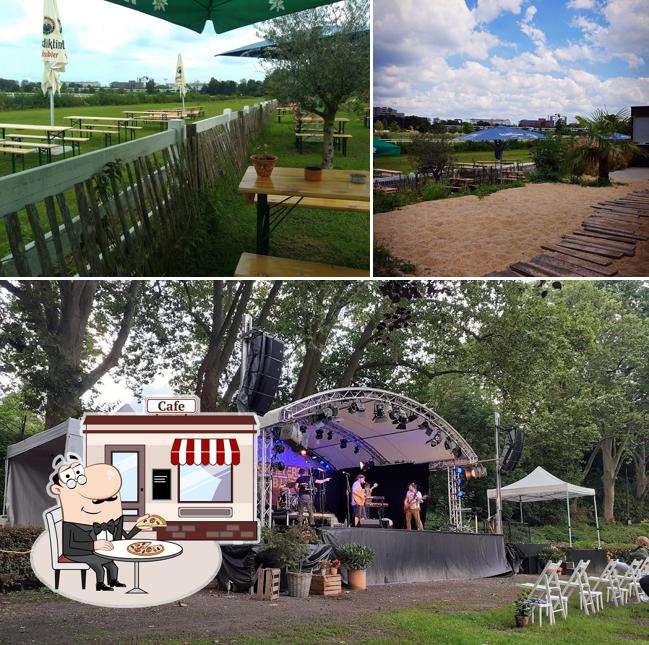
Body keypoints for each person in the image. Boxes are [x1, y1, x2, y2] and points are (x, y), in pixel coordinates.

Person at [48, 454, 152, 592]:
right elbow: (69, 546)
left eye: (112, 498)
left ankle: (113, 581)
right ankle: (100, 584)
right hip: (76, 552)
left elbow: (125, 537)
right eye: (96, 501)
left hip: (98, 550)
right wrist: (94, 545)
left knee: (113, 565)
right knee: (98, 564)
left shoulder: (112, 522)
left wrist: (138, 527)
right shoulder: (72, 524)